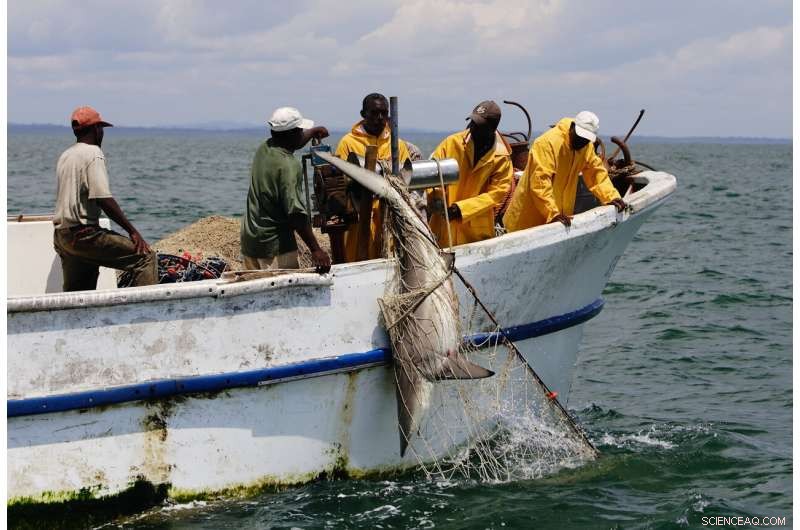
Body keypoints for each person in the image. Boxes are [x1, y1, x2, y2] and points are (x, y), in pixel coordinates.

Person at [53, 106, 157, 292]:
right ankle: (146, 315)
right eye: (101, 128)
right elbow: (102, 198)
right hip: (84, 235)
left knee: (79, 295)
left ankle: (78, 320)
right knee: (145, 258)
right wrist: (132, 231)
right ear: (95, 129)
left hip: (63, 237)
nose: (102, 133)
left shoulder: (66, 155)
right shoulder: (93, 153)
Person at [240, 107, 332, 273]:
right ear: (291, 134)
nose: (302, 134)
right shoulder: (289, 166)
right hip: (275, 248)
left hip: (251, 241)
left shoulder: (265, 148)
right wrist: (316, 249)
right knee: (279, 297)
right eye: (300, 131)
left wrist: (313, 132)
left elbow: (293, 140)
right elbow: (296, 214)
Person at [503, 111, 626, 231]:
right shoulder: (547, 143)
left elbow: (596, 174)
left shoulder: (585, 147)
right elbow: (540, 182)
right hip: (526, 223)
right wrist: (553, 213)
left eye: (586, 139)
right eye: (580, 136)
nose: (581, 142)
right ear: (572, 127)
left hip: (558, 222)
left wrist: (611, 197)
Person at [335, 93, 411, 261]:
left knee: (389, 262)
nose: (380, 118)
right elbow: (341, 183)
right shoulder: (348, 143)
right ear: (363, 114)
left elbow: (404, 181)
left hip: (388, 218)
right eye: (374, 113)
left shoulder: (397, 144)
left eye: (384, 113)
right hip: (359, 218)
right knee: (357, 261)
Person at [428, 100, 514, 247]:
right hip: (443, 228)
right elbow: (432, 173)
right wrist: (437, 198)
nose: (472, 127)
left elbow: (496, 194)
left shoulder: (502, 158)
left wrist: (462, 209)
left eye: (479, 125)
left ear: (492, 129)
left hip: (475, 235)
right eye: (472, 121)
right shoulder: (451, 143)